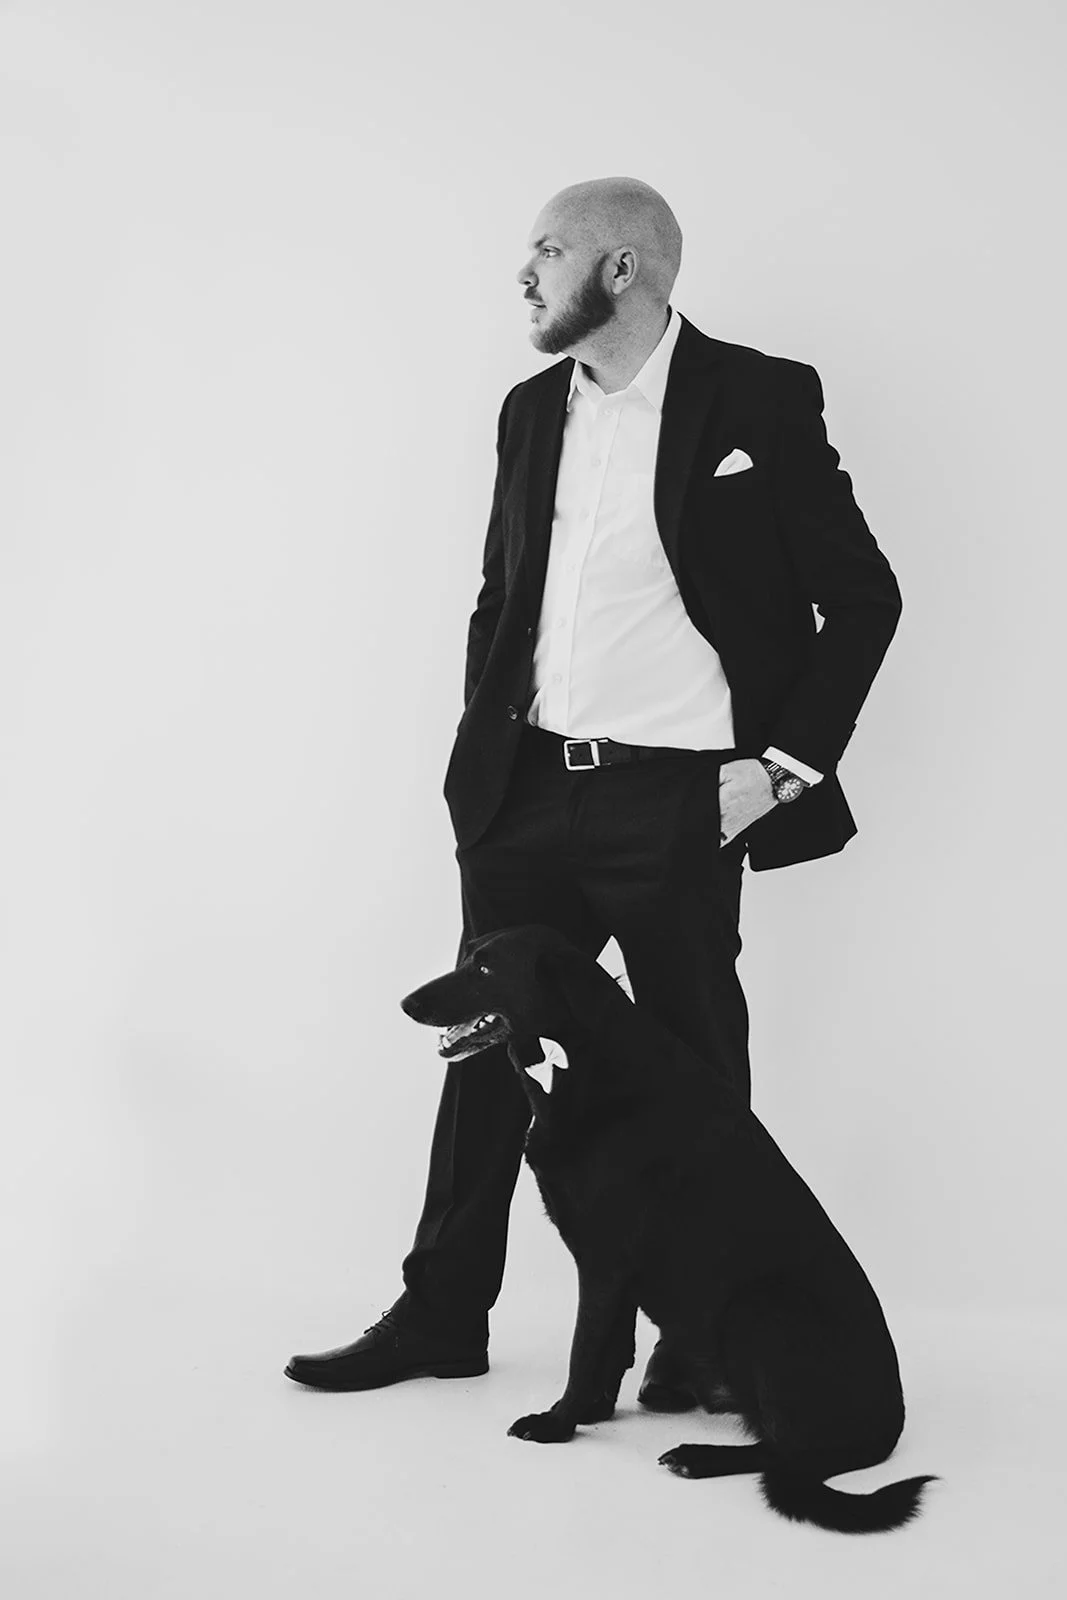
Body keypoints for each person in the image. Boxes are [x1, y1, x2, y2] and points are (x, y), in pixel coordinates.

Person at [285, 176, 902, 1402]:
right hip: (523, 795)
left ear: (620, 270)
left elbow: (862, 598)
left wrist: (780, 769)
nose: (523, 275)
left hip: (674, 802)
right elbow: (499, 596)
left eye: (547, 251)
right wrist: (478, 759)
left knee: (691, 1073)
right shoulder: (529, 409)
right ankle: (442, 1313)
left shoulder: (757, 400)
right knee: (482, 1059)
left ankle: (698, 1337)